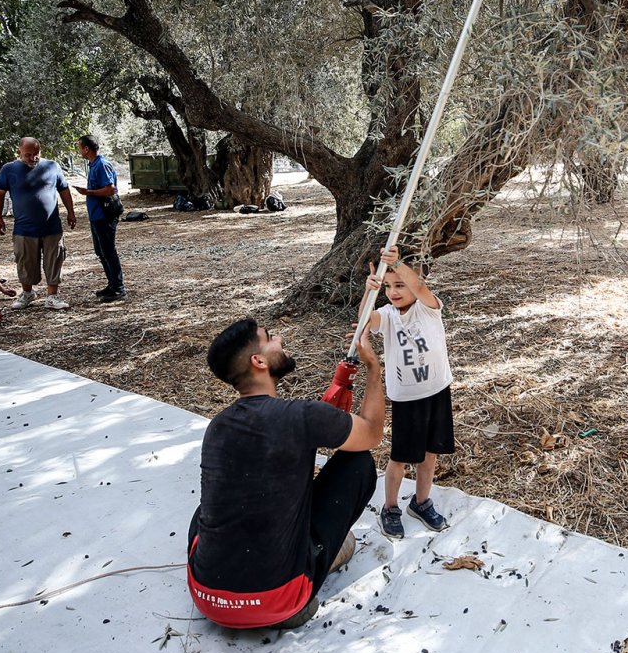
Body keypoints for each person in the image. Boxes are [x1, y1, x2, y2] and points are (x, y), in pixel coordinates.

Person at [187, 319, 385, 630]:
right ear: (259, 361)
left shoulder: (217, 427)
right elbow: (372, 433)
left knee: (207, 508)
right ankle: (312, 573)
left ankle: (236, 587)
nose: (279, 338)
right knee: (358, 463)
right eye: (269, 338)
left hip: (207, 599)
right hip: (279, 602)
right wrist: (373, 368)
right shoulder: (302, 416)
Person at [363, 247, 455, 538]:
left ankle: (421, 501)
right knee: (400, 457)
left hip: (437, 391)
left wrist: (396, 263)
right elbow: (366, 320)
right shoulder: (388, 315)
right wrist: (369, 292)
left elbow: (417, 285)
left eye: (399, 284)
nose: (393, 291)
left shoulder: (429, 307)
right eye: (388, 286)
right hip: (407, 398)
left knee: (430, 453)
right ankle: (390, 507)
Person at [0, 137, 75, 311]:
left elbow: (64, 190)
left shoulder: (52, 166)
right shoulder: (9, 169)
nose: (33, 158)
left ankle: (52, 296)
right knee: (25, 261)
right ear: (19, 152)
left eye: (36, 154)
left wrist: (71, 212)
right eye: (28, 154)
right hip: (24, 228)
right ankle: (27, 293)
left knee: (54, 261)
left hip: (51, 226)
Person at [71, 134, 126, 302]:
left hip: (105, 215)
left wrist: (88, 192)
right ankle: (112, 284)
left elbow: (110, 189)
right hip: (96, 215)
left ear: (86, 148)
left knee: (109, 252)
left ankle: (118, 288)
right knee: (101, 251)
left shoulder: (102, 165)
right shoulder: (94, 165)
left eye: (80, 147)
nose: (79, 150)